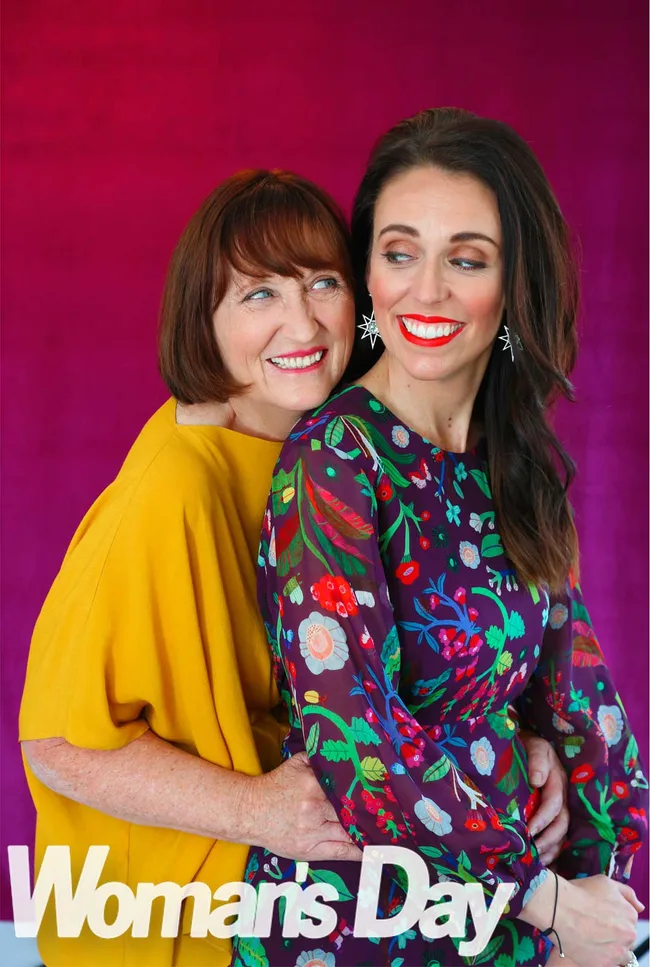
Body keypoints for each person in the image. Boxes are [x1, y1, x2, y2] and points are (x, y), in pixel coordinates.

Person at [19, 168, 569, 967]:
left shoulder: (329, 450)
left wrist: (510, 740)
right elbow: (56, 746)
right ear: (200, 321)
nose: (302, 321)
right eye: (258, 296)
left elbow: (388, 671)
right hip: (182, 909)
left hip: (306, 861)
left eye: (321, 283)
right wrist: (257, 810)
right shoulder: (177, 485)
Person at [239, 110, 649, 967]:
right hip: (367, 919)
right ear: (367, 272)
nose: (424, 291)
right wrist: (549, 905)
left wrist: (601, 870)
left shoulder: (514, 461)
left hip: (520, 911)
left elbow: (577, 693)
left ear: (513, 286)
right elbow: (360, 746)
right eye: (398, 253)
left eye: (465, 259)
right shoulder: (334, 461)